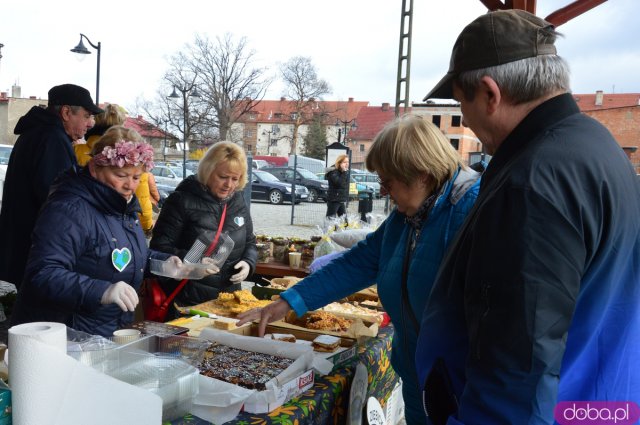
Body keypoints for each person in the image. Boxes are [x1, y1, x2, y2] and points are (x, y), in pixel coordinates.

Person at [415, 10, 640, 425]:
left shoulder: (533, 182)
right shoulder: (597, 147)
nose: (464, 119)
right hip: (598, 404)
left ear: (490, 93)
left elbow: (516, 367)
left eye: (462, 103)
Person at [238, 115, 481, 425]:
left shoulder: (472, 214)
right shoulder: (407, 218)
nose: (382, 191)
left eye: (387, 180)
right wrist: (288, 302)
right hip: (420, 381)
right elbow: (359, 262)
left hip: (463, 394)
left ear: (420, 174)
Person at [9, 127, 204, 337]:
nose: (130, 185)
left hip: (103, 330)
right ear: (95, 168)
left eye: (137, 177)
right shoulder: (69, 209)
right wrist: (101, 290)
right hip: (64, 333)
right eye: (121, 175)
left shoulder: (122, 207)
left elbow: (123, 254)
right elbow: (43, 274)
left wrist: (163, 263)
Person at [0, 83, 102, 288]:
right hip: (38, 250)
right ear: (66, 112)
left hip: (25, 244)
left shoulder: (39, 132)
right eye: (86, 115)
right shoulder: (51, 139)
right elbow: (58, 201)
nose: (90, 123)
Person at [150, 141, 257, 318]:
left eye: (235, 179)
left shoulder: (238, 201)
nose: (228, 185)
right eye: (223, 177)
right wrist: (192, 261)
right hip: (188, 303)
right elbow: (159, 249)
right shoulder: (181, 200)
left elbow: (250, 242)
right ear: (208, 171)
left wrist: (248, 263)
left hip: (227, 302)